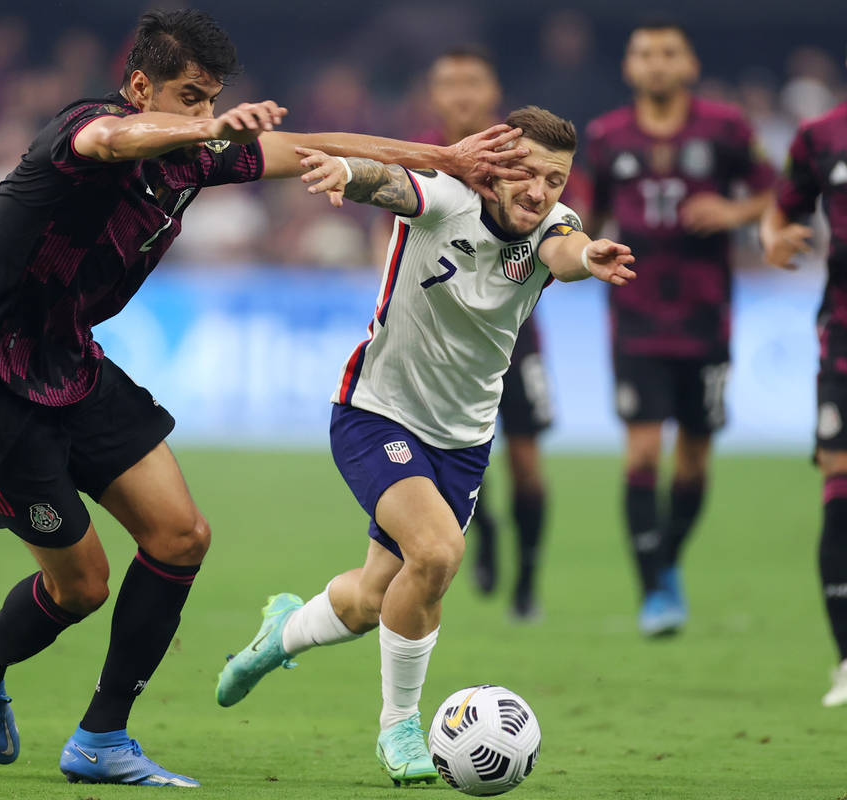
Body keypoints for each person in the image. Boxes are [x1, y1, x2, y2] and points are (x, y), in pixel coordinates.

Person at [0, 9, 529, 788]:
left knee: (181, 538)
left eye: (211, 99)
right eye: (187, 96)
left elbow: (316, 146)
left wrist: (442, 157)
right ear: (140, 86)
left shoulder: (192, 156)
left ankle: (103, 738)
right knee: (82, 586)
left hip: (70, 365)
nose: (202, 116)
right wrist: (186, 130)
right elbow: (116, 140)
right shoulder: (86, 130)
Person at [216, 106, 636, 786]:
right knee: (438, 552)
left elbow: (565, 251)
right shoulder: (447, 201)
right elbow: (390, 184)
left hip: (463, 441)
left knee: (372, 600)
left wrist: (589, 256)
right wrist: (347, 173)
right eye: (525, 172)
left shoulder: (549, 234)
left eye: (554, 180)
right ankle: (399, 727)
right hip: (376, 412)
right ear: (496, 165)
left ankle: (281, 634)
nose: (537, 190)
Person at [585, 21, 774, 636]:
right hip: (634, 317)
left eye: (668, 53)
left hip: (706, 316)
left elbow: (777, 196)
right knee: (642, 448)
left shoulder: (726, 129)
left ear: (689, 64)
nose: (657, 64)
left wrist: (735, 210)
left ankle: (666, 561)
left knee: (693, 456)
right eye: (645, 53)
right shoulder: (607, 137)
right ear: (629, 67)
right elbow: (584, 215)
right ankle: (655, 589)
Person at [418, 45, 558, 619]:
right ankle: (487, 528)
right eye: (449, 83)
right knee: (458, 449)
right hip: (441, 340)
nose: (462, 94)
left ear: (493, 90)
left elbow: (557, 223)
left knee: (525, 459)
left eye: (472, 82)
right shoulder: (424, 157)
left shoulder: (525, 160)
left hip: (514, 338)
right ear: (434, 95)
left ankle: (527, 580)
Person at [760, 89, 847, 706]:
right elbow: (781, 210)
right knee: (839, 480)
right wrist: (773, 238)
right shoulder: (819, 137)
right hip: (843, 336)